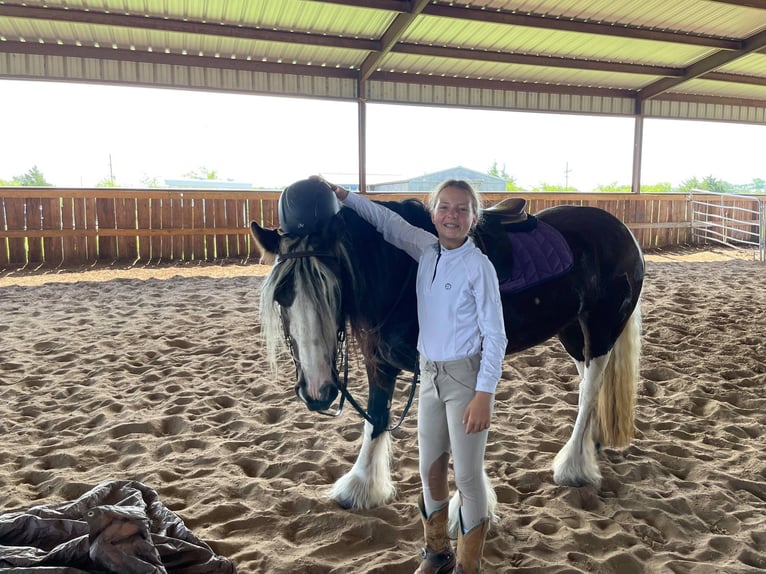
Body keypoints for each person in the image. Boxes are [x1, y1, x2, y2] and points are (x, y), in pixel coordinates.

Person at [324, 177, 507, 574]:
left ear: (474, 218)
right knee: (430, 469)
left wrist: (484, 394)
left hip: (464, 379)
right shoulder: (426, 249)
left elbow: (496, 335)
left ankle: (467, 566)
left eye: (461, 209)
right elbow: (388, 223)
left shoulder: (479, 267)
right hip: (429, 377)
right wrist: (345, 196)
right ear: (433, 214)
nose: (452, 216)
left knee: (470, 477)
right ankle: (436, 552)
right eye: (444, 208)